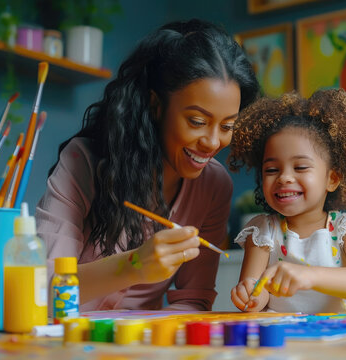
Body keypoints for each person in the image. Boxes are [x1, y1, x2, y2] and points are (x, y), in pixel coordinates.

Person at [36, 19, 259, 312]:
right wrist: (134, 265)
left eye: (227, 126)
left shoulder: (215, 187)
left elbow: (194, 299)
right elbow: (44, 287)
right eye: (197, 122)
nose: (213, 141)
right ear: (155, 105)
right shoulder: (84, 162)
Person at [229, 89, 346, 313]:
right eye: (272, 169)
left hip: (336, 344)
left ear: (332, 179)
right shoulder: (262, 231)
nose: (284, 177)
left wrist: (310, 275)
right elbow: (258, 293)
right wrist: (250, 295)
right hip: (283, 343)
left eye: (301, 167)